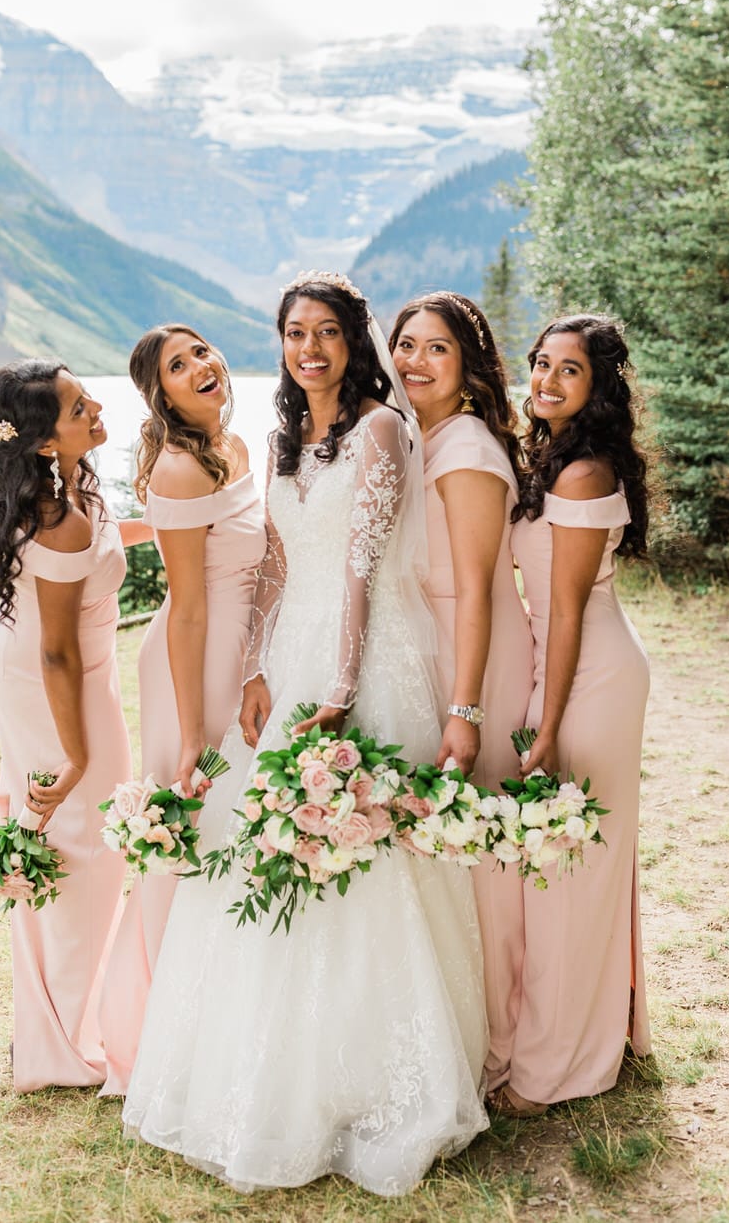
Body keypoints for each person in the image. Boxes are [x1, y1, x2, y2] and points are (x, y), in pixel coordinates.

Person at [123, 271, 488, 1195]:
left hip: (363, 659)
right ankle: (271, 1074)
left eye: (327, 332)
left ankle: (372, 1077)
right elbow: (279, 566)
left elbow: (360, 572)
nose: (310, 348)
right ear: (280, 343)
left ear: (352, 340)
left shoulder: (377, 428)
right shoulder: (285, 438)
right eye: (294, 332)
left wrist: (338, 684)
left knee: (362, 858)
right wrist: (254, 666)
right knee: (273, 848)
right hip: (287, 655)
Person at [98, 325, 265, 1094]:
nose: (201, 365)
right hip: (190, 666)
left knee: (236, 831)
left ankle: (231, 1009)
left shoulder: (230, 444)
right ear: (159, 394)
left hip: (241, 651)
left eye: (202, 350)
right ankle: (157, 1029)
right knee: (188, 834)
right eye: (178, 364)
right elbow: (189, 610)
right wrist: (196, 724)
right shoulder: (176, 469)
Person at [0, 359, 150, 1093]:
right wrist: (75, 755)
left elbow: (105, 542)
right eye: (80, 406)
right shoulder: (60, 512)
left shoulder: (64, 490)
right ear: (46, 441)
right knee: (82, 844)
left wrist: (189, 523)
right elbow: (56, 648)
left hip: (59, 669)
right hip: (55, 681)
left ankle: (58, 1020)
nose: (97, 407)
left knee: (71, 842)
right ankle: (63, 1038)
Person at [504, 313, 652, 1112]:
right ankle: (598, 1029)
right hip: (569, 664)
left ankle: (559, 1065)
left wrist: (549, 726)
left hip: (590, 675)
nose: (546, 381)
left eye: (568, 371)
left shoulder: (584, 474)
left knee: (568, 871)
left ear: (598, 389)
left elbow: (563, 613)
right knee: (569, 866)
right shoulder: (551, 458)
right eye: (540, 364)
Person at [390, 291, 533, 1098]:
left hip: (477, 654)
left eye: (435, 348)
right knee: (458, 849)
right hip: (443, 648)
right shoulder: (427, 439)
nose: (414, 360)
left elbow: (477, 590)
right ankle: (471, 1028)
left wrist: (466, 709)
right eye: (406, 345)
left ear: (469, 366)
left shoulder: (468, 448)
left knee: (483, 851)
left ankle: (504, 1042)